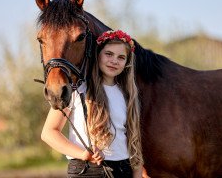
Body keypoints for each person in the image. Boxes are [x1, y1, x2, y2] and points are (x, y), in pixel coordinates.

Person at [41, 30, 149, 178]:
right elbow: (49, 133)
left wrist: (136, 173)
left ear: (126, 63)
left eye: (121, 57)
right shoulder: (77, 89)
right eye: (109, 54)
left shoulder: (128, 95)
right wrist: (83, 154)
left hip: (124, 170)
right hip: (87, 170)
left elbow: (133, 141)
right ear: (98, 55)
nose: (114, 61)